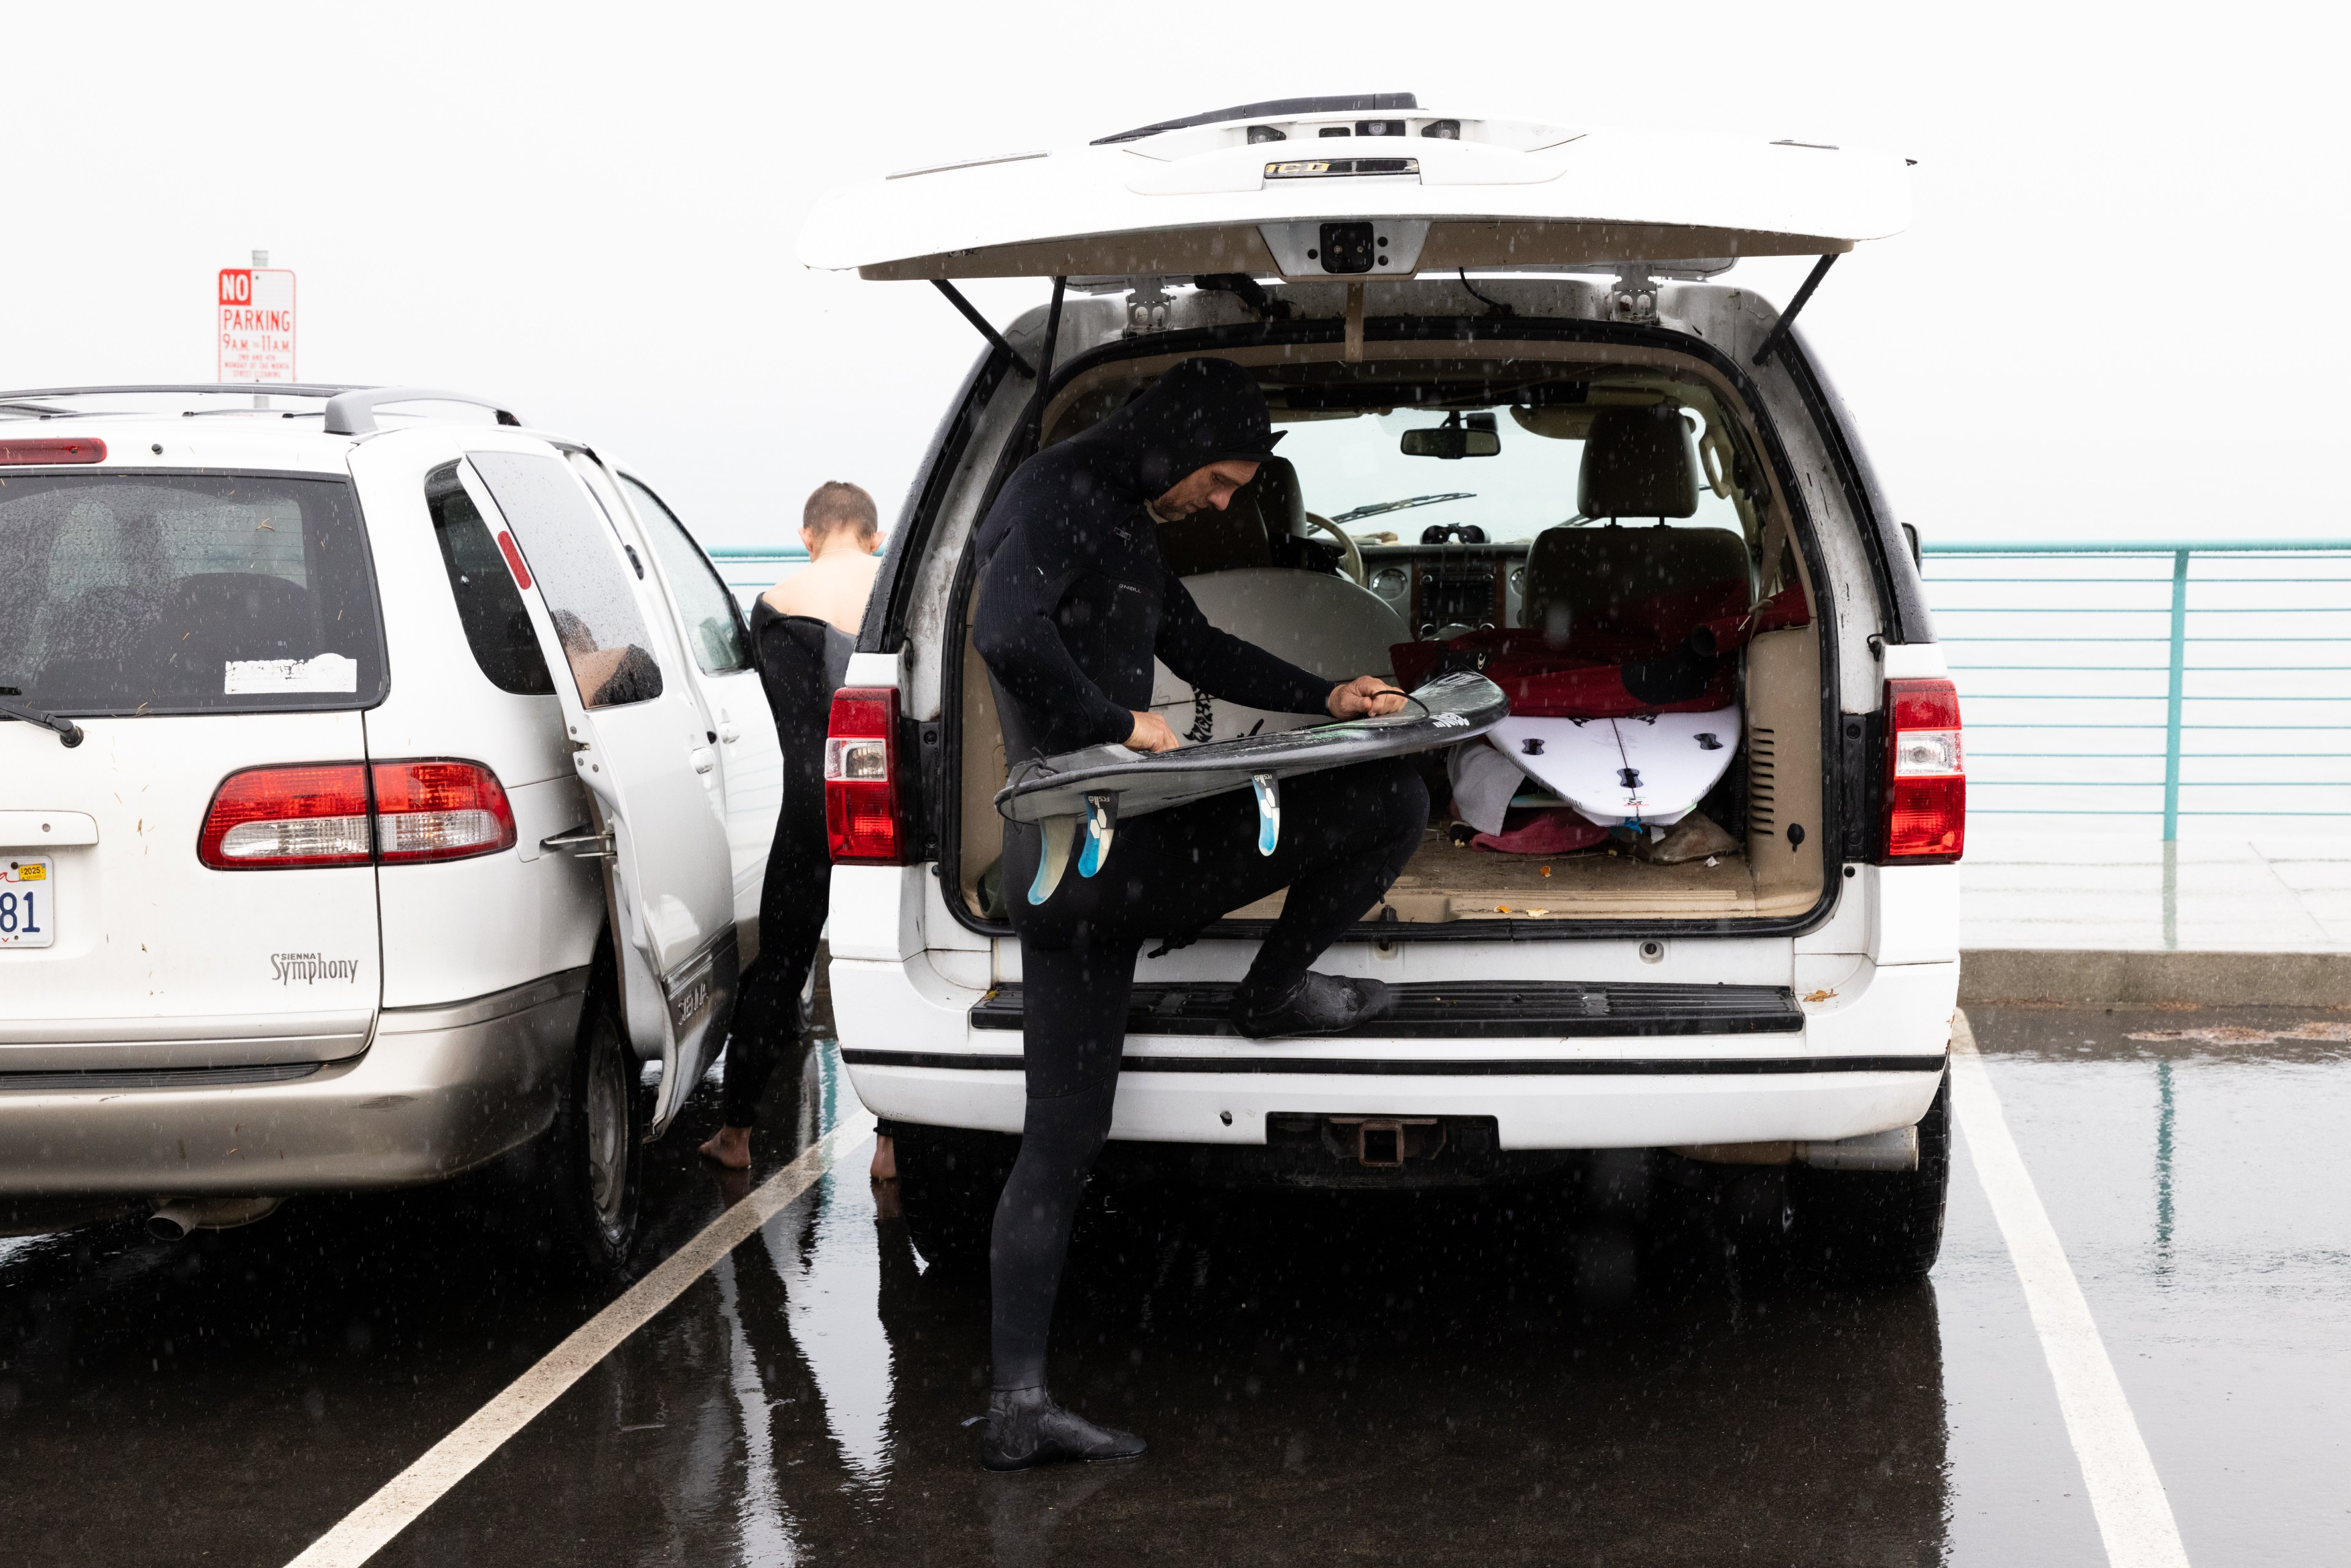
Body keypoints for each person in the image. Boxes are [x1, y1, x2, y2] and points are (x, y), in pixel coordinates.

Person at [970, 356, 1427, 1470]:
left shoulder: (1116, 510)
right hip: (1091, 862)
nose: (1223, 505)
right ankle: (1270, 994)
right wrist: (1116, 723)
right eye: (1221, 483)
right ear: (1178, 440)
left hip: (1094, 868)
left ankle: (1018, 1406)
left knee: (1063, 1137)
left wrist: (1330, 696)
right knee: (1392, 798)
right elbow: (1004, 634)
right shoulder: (1054, 495)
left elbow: (1198, 644)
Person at [700, 482, 888, 1174]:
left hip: (810, 803)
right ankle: (891, 1144)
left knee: (778, 967)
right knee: (892, 963)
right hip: (889, 799)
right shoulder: (895, 586)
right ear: (874, 535)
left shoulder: (776, 602)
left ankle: (737, 1135)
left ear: (809, 536)